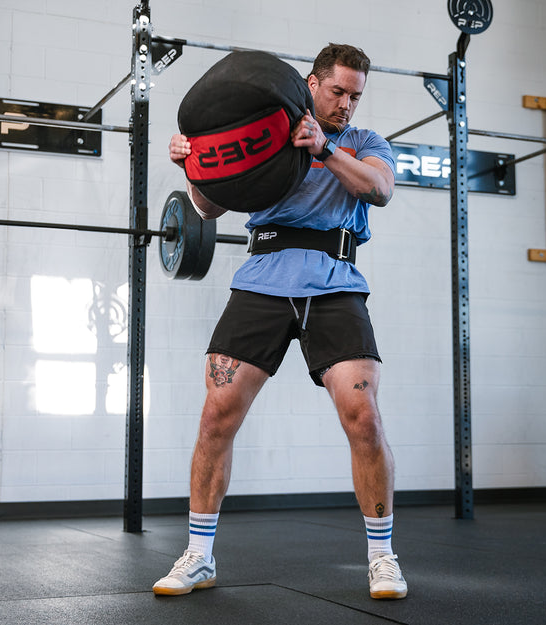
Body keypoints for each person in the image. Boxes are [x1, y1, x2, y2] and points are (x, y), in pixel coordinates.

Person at [153, 43, 406, 601]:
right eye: (338, 91)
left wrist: (325, 148)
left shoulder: (363, 143)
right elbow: (208, 206)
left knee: (362, 416)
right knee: (217, 415)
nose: (347, 104)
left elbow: (380, 189)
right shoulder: (266, 130)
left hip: (336, 283)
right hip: (263, 279)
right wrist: (192, 165)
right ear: (312, 85)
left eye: (356, 96)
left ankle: (383, 557)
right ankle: (199, 555)